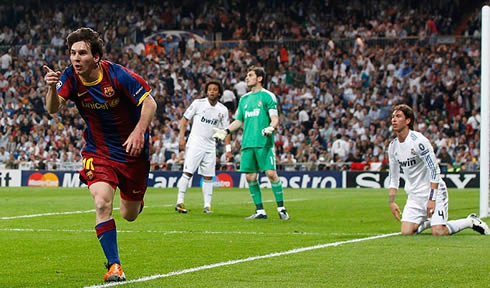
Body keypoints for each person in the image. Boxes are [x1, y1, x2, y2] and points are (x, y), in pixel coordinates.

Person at [43, 27, 157, 282]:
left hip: (132, 150)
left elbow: (150, 103)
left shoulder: (118, 75)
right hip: (99, 150)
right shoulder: (69, 77)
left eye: (82, 53)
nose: (75, 58)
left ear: (96, 56)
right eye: (72, 53)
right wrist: (51, 89)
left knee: (129, 214)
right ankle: (114, 266)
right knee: (102, 202)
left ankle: (136, 200)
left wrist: (139, 132)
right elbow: (52, 109)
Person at [387, 104, 489, 236]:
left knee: (439, 232)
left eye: (398, 116)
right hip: (414, 196)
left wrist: (432, 199)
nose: (394, 119)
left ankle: (470, 221)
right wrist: (391, 201)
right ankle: (431, 221)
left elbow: (434, 170)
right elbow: (393, 177)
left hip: (434, 192)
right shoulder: (393, 146)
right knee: (406, 232)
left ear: (408, 121)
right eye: (393, 116)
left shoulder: (419, 142)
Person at [213, 66, 289, 220]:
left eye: (250, 75)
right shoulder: (244, 99)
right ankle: (260, 210)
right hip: (247, 143)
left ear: (259, 78)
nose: (247, 78)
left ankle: (281, 209)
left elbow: (275, 118)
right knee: (250, 177)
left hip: (263, 142)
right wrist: (225, 131)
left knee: (270, 173)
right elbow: (239, 121)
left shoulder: (268, 96)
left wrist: (270, 127)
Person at [175, 80, 230, 214]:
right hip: (195, 144)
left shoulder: (223, 110)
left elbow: (226, 131)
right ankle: (179, 202)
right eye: (209, 89)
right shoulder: (198, 104)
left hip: (211, 146)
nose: (212, 91)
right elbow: (184, 120)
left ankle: (207, 205)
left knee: (208, 177)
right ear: (206, 91)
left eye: (215, 89)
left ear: (219, 93)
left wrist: (228, 149)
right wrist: (181, 137)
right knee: (187, 173)